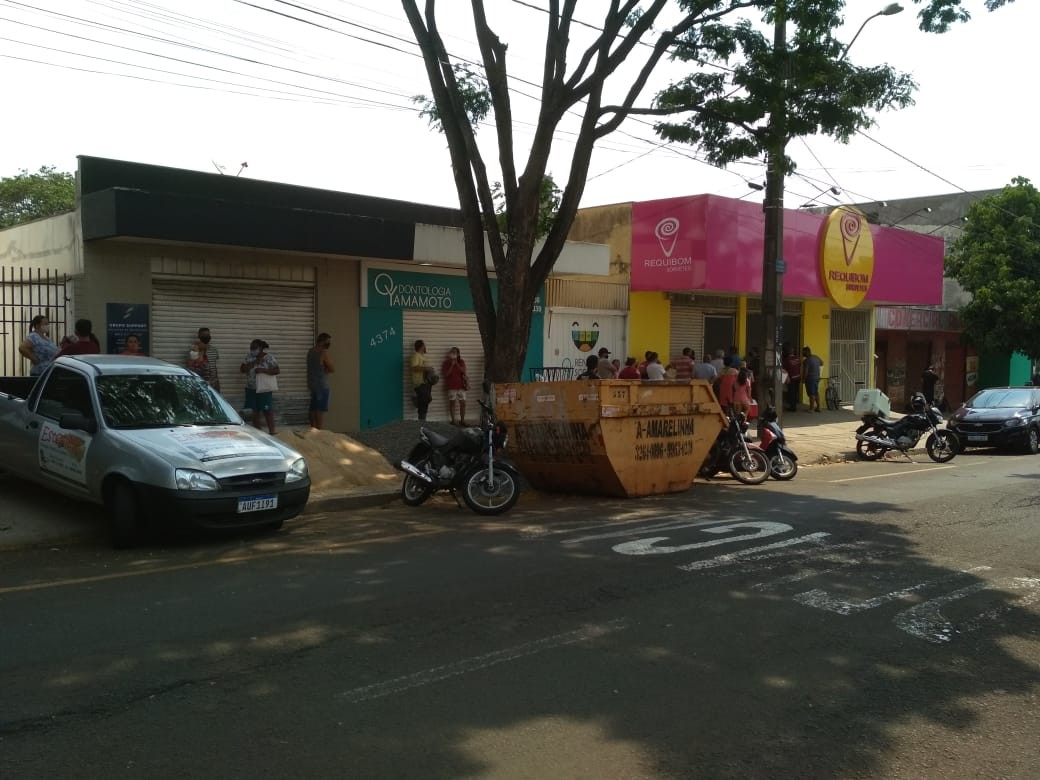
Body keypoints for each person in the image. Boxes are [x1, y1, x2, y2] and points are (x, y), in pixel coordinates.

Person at [240, 339, 280, 434]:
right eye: (251, 348)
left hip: (264, 390)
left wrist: (263, 370)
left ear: (260, 348)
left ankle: (272, 433)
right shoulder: (249, 357)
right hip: (251, 389)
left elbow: (277, 370)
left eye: (254, 348)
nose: (252, 350)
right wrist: (255, 362)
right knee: (254, 413)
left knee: (267, 411)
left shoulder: (269, 357)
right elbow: (242, 369)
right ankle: (259, 433)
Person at [307, 332, 335, 429]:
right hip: (321, 385)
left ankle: (312, 429)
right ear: (322, 341)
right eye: (328, 342)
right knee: (319, 410)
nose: (329, 344)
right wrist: (326, 369)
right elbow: (332, 368)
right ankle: (319, 431)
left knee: (313, 408)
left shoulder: (310, 351)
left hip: (312, 384)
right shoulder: (323, 352)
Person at [441, 346, 469, 426]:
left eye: (454, 352)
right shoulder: (446, 363)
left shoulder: (461, 361)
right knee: (452, 403)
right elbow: (446, 374)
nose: (452, 354)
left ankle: (462, 420)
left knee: (463, 403)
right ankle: (453, 420)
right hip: (451, 386)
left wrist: (456, 363)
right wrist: (452, 365)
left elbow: (463, 371)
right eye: (451, 352)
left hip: (461, 386)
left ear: (458, 354)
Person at [188, 327, 221, 392]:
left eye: (207, 335)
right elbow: (190, 366)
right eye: (203, 335)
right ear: (199, 336)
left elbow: (214, 367)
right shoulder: (194, 349)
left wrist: (217, 382)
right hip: (200, 382)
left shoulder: (214, 350)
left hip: (213, 382)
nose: (206, 337)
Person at [411, 339, 434, 421]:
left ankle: (423, 420)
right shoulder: (416, 355)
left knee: (425, 401)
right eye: (424, 345)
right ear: (421, 346)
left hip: (426, 382)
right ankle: (421, 421)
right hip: (419, 382)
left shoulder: (423, 356)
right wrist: (426, 368)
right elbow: (414, 368)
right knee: (424, 401)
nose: (425, 346)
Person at [802, 346, 824, 413]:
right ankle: (818, 407)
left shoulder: (807, 360)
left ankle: (811, 409)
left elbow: (806, 371)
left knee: (811, 394)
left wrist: (803, 379)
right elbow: (822, 363)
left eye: (803, 352)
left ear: (807, 352)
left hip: (810, 379)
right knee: (816, 392)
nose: (802, 353)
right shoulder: (816, 357)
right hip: (817, 378)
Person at [782, 344, 801, 412]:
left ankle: (793, 407)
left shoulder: (786, 360)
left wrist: (786, 378)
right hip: (798, 377)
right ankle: (793, 405)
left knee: (791, 392)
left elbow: (784, 370)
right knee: (795, 392)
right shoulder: (797, 358)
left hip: (791, 378)